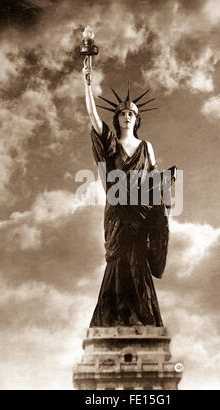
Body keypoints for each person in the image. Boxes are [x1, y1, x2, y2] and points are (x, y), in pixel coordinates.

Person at [83, 61, 175, 327]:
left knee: (138, 263)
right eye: (123, 113)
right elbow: (92, 117)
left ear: (137, 119)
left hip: (142, 212)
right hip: (119, 213)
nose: (127, 116)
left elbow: (155, 181)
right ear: (117, 118)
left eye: (131, 114)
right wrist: (87, 82)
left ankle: (143, 317)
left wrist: (166, 189)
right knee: (120, 261)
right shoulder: (110, 145)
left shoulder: (147, 147)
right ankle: (111, 318)